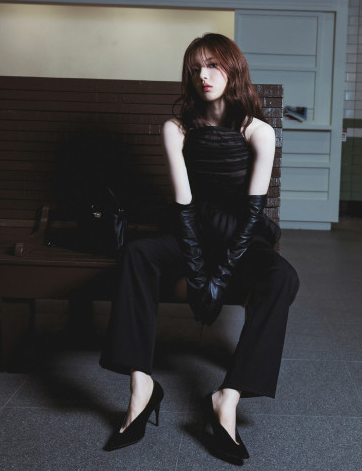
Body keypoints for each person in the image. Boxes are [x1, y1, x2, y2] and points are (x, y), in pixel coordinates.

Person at [99, 33, 299, 463]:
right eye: (195, 69)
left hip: (240, 232)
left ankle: (227, 397)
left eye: (213, 66)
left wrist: (219, 279)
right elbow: (184, 209)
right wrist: (196, 273)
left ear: (234, 69)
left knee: (283, 276)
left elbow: (252, 215)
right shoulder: (177, 129)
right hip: (191, 229)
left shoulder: (259, 131)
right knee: (136, 254)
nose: (203, 76)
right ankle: (141, 387)